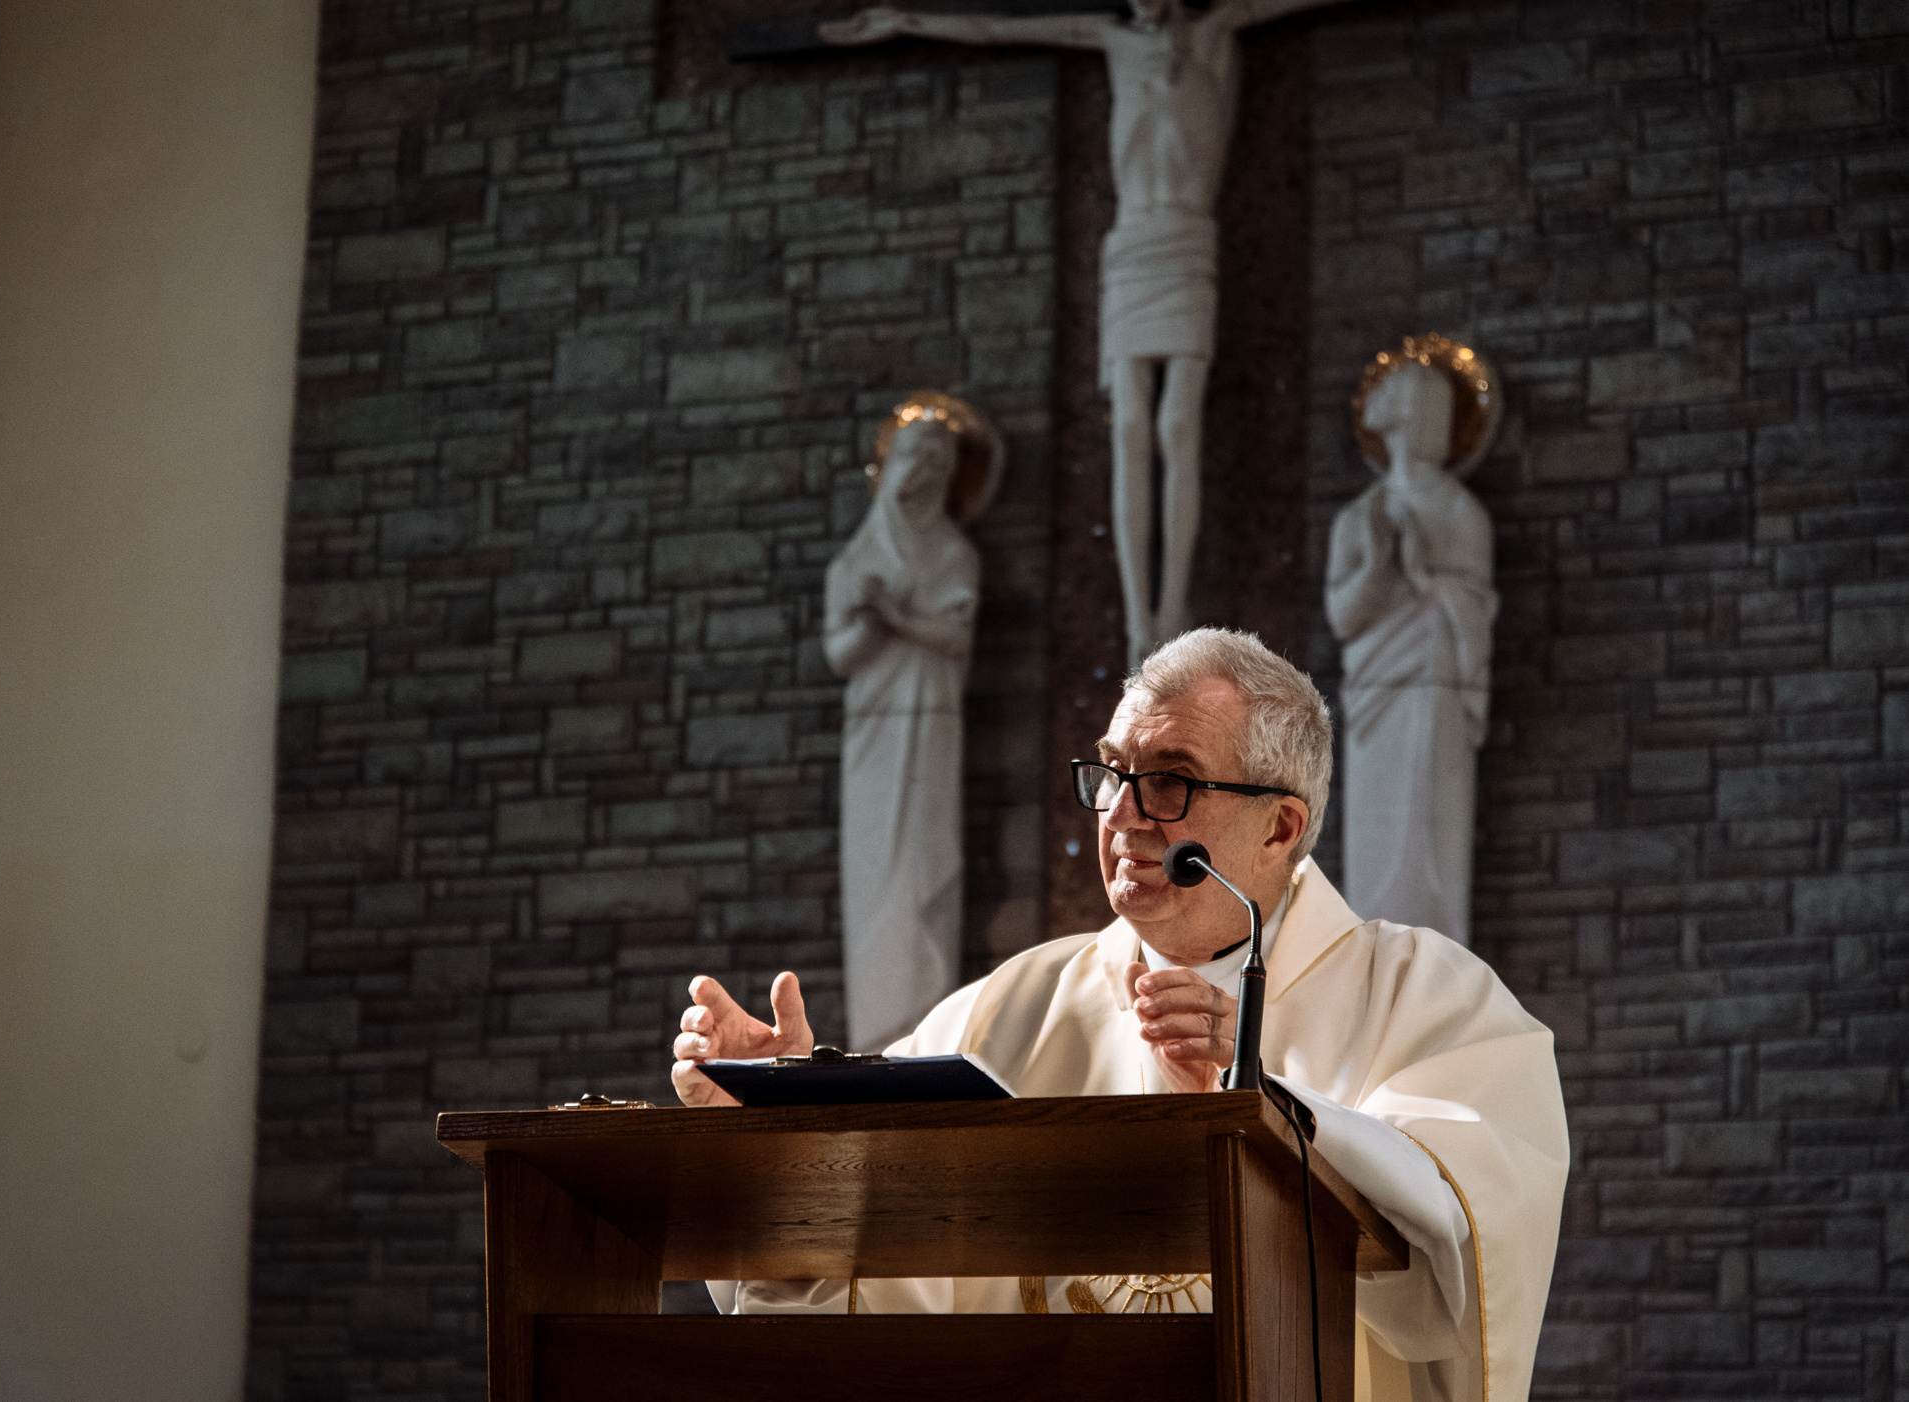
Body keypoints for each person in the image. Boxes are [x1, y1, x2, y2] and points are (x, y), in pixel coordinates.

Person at [671, 627, 1566, 1402]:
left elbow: (1469, 1226)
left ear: (1282, 828)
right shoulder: (1013, 1010)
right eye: (1111, 773)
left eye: (1170, 781)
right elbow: (873, 1292)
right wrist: (779, 1135)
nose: (1123, 814)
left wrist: (1262, 1102)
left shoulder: (1423, 996)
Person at [823, 0, 1353, 664]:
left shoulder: (1217, 33)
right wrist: (907, 21)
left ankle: (1173, 603)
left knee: (1176, 428)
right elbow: (997, 25)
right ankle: (1138, 619)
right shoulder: (1111, 39)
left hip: (1187, 241)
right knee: (1128, 430)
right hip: (1130, 248)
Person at [822, 414, 981, 1050]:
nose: (925, 474)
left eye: (940, 465)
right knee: (876, 875)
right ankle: (875, 1037)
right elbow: (841, 655)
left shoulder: (954, 554)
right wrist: (873, 622)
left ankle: (922, 1037)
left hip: (933, 728)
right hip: (872, 738)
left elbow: (956, 636)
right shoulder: (856, 558)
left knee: (924, 869)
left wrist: (892, 612)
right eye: (916, 458)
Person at [1326, 359, 1498, 945]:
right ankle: (1374, 962)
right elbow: (1343, 616)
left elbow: (1477, 606)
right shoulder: (1359, 517)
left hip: (1436, 681)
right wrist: (1378, 568)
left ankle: (1438, 963)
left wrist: (1427, 578)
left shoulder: (1460, 512)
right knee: (1375, 842)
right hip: (1376, 696)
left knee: (1431, 828)